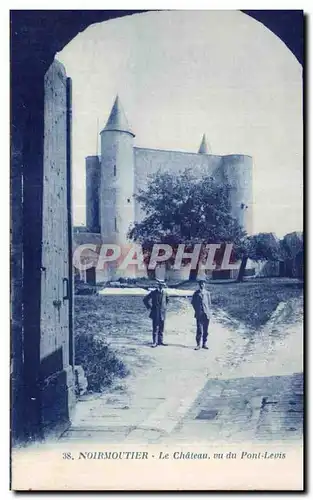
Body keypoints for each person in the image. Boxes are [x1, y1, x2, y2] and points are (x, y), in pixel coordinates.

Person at [143, 279, 169, 347]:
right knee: (155, 328)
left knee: (161, 328)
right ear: (158, 286)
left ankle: (160, 341)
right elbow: (145, 299)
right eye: (160, 285)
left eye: (162, 286)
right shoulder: (153, 293)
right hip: (155, 313)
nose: (161, 287)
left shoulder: (165, 293)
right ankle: (155, 342)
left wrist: (164, 308)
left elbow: (167, 300)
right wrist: (150, 307)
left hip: (162, 314)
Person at [191, 279, 212, 350]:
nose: (202, 285)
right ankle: (198, 344)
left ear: (205, 285)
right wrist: (197, 310)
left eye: (203, 284)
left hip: (206, 314)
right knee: (199, 329)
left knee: (206, 330)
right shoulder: (196, 293)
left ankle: (204, 344)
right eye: (200, 284)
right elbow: (193, 303)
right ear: (199, 285)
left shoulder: (207, 293)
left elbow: (209, 304)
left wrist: (207, 311)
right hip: (199, 314)